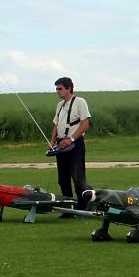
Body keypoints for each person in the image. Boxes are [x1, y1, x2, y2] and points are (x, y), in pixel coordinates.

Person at [49, 77, 92, 212]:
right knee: (63, 179)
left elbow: (85, 124)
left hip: (75, 145)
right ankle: (68, 209)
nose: (57, 91)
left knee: (78, 178)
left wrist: (72, 139)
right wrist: (52, 142)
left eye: (60, 88)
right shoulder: (59, 106)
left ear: (69, 88)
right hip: (61, 146)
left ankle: (83, 208)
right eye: (56, 88)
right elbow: (56, 125)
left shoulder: (80, 102)